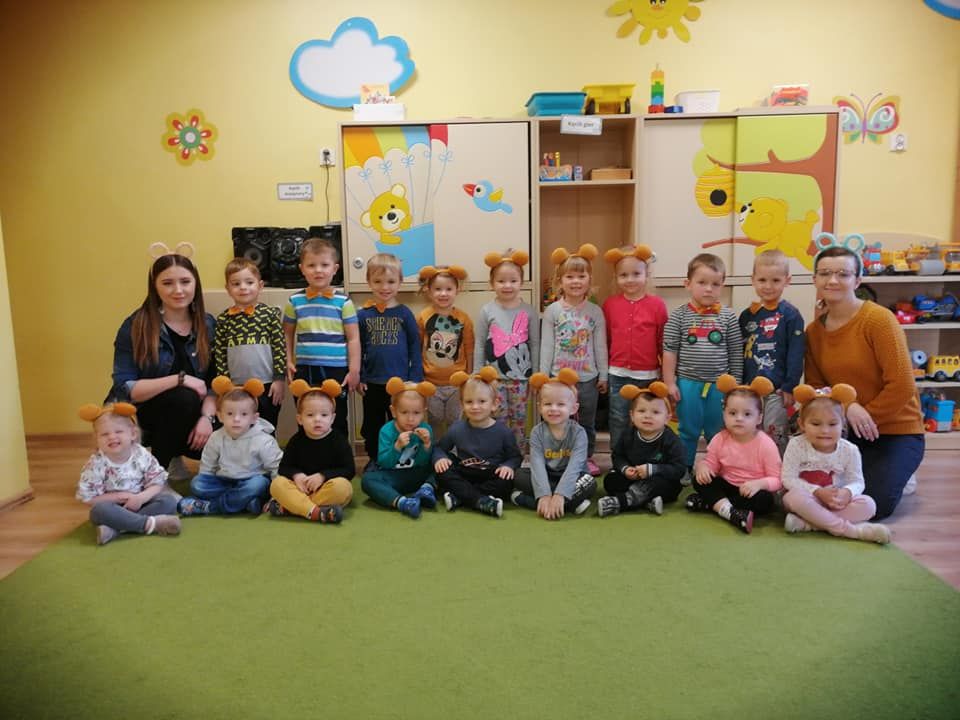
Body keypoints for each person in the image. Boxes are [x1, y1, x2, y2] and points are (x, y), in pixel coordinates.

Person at [804, 244, 924, 520]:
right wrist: (848, 407)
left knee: (874, 502)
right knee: (812, 488)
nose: (832, 280)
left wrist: (865, 415)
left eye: (843, 274)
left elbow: (902, 386)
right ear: (815, 280)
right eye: (825, 273)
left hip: (895, 431)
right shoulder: (814, 332)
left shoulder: (879, 320)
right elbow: (816, 386)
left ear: (857, 281)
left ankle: (903, 474)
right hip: (846, 430)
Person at [110, 245, 217, 471]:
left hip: (192, 413)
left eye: (185, 282)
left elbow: (214, 385)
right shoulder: (135, 326)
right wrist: (180, 379)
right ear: (155, 287)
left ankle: (173, 453)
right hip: (141, 413)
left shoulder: (208, 325)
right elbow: (125, 387)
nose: (178, 290)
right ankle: (156, 474)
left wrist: (207, 419)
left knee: (236, 425)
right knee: (184, 397)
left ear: (195, 284)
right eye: (167, 283)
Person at [662, 253, 744, 472]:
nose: (709, 289)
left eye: (715, 284)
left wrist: (735, 384)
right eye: (702, 282)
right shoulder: (678, 316)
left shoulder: (728, 317)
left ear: (722, 286)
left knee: (717, 430)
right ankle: (684, 466)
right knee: (687, 429)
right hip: (687, 383)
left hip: (720, 385)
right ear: (687, 284)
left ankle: (717, 467)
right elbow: (669, 351)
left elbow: (736, 352)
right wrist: (669, 382)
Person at [780, 383, 891, 544]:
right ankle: (851, 531)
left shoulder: (850, 450)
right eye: (816, 424)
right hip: (807, 500)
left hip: (836, 503)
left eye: (832, 424)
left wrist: (847, 492)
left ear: (843, 424)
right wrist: (817, 491)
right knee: (792, 497)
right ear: (802, 424)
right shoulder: (796, 445)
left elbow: (857, 481)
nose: (825, 430)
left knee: (868, 505)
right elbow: (788, 479)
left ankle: (810, 525)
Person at [540, 243, 608, 475]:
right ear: (560, 281)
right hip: (558, 380)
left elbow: (600, 346)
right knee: (557, 420)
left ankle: (586, 457)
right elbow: (547, 345)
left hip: (588, 379)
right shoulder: (553, 311)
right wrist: (543, 377)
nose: (576, 281)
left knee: (586, 422)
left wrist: (603, 375)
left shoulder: (595, 311)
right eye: (570, 276)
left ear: (589, 279)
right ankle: (557, 457)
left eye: (581, 276)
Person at [283, 236, 360, 438]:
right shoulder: (294, 301)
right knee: (306, 415)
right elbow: (287, 334)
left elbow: (353, 338)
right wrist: (288, 360)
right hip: (305, 368)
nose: (318, 270)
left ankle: (339, 456)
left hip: (337, 369)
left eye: (324, 265)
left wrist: (354, 370)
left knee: (337, 416)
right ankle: (308, 454)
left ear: (335, 269)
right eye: (311, 265)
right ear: (302, 269)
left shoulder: (344, 302)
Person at [687, 375, 782, 534]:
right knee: (699, 480)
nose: (739, 419)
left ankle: (712, 504)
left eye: (747, 414)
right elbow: (711, 465)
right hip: (727, 486)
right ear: (724, 415)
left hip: (751, 491)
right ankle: (731, 512)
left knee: (765, 501)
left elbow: (777, 479)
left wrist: (759, 484)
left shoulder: (765, 443)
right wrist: (703, 467)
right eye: (732, 413)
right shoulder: (720, 438)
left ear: (759, 418)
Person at [76, 402, 181, 545]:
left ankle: (116, 529)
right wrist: (118, 497)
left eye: (118, 432)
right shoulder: (96, 464)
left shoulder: (141, 454)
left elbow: (157, 482)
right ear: (97, 439)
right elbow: (89, 498)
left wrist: (141, 498)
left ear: (133, 434)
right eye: (105, 434)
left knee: (168, 501)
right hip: (114, 508)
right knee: (98, 511)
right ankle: (149, 524)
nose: (112, 437)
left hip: (142, 503)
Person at [177, 377, 282, 516]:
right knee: (197, 484)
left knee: (259, 485)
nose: (236, 419)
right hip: (224, 480)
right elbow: (207, 466)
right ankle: (245, 503)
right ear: (220, 416)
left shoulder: (264, 440)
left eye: (244, 414)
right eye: (230, 414)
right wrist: (205, 479)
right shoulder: (216, 437)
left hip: (252, 479)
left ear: (254, 418)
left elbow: (276, 469)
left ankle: (211, 507)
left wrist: (276, 497)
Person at [432, 366, 522, 518]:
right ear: (462, 404)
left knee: (507, 480)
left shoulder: (504, 432)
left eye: (482, 401)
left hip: (491, 475)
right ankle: (481, 501)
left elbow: (515, 457)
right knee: (443, 471)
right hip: (465, 473)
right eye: (469, 402)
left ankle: (461, 497)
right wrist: (440, 458)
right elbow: (439, 449)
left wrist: (508, 466)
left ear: (494, 404)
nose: (475, 407)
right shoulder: (457, 428)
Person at [738, 249, 804, 453]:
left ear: (787, 280)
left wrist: (789, 386)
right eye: (762, 280)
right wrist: (739, 383)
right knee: (749, 430)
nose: (768, 286)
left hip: (777, 389)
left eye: (775, 280)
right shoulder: (747, 315)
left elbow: (796, 353)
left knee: (775, 431)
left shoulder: (791, 315)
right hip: (749, 388)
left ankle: (778, 467)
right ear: (753, 280)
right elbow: (740, 351)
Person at [602, 244, 667, 451]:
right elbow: (606, 340)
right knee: (618, 417)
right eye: (623, 275)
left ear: (647, 275)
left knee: (648, 419)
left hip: (648, 375)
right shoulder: (610, 305)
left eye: (636, 274)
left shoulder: (657, 305)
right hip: (617, 374)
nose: (630, 279)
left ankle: (646, 456)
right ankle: (618, 459)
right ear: (616, 277)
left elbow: (662, 341)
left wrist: (666, 374)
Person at [358, 253, 423, 460]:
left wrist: (415, 378)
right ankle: (375, 460)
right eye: (378, 281)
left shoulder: (405, 313)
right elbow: (358, 347)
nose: (384, 287)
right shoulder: (363, 314)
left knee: (402, 423)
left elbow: (415, 346)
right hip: (372, 382)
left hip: (402, 384)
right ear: (368, 282)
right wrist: (360, 376)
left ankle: (403, 460)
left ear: (400, 282)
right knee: (373, 425)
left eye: (391, 281)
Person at [474, 249, 539, 453]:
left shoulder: (529, 311)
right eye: (501, 281)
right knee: (497, 418)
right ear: (492, 283)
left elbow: (535, 344)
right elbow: (480, 344)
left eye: (513, 280)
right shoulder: (487, 310)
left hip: (521, 379)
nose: (507, 285)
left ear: (521, 282)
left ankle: (517, 454)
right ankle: (497, 454)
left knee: (519, 419)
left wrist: (536, 375)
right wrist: (477, 373)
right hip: (493, 379)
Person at [265, 379, 355, 524]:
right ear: (300, 419)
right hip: (301, 488)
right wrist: (297, 475)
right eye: (310, 415)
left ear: (332, 418)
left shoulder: (339, 440)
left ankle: (292, 507)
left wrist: (322, 476)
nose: (317, 420)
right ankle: (316, 512)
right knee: (277, 484)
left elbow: (349, 470)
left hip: (325, 488)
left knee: (343, 488)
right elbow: (284, 467)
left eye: (324, 415)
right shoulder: (296, 440)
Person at [511, 369, 597, 519]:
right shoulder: (537, 432)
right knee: (519, 476)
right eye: (548, 404)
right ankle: (570, 505)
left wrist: (560, 494)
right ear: (540, 407)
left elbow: (575, 467)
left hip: (573, 476)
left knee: (590, 482)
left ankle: (527, 500)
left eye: (561, 404)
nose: (553, 409)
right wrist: (544, 494)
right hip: (548, 475)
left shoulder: (579, 433)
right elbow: (537, 465)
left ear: (573, 408)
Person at [213, 257, 286, 429]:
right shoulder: (224, 319)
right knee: (239, 427)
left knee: (267, 427)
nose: (243, 287)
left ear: (260, 285)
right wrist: (225, 384)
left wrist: (279, 379)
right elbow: (220, 353)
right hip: (235, 387)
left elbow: (280, 348)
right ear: (228, 289)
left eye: (249, 282)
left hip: (267, 385)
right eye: (236, 284)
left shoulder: (269, 315)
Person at [597, 381, 685, 518]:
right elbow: (618, 456)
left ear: (667, 418)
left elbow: (679, 469)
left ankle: (622, 502)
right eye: (641, 411)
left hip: (657, 480)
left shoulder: (671, 440)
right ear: (632, 415)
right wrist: (625, 469)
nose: (647, 416)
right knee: (611, 480)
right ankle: (645, 502)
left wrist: (652, 470)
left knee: (668, 486)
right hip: (633, 479)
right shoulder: (628, 435)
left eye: (655, 412)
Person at [360, 378, 438, 519]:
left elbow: (423, 462)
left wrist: (426, 445)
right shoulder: (386, 431)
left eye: (416, 413)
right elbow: (384, 463)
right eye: (404, 412)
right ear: (394, 411)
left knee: (444, 463)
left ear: (424, 412)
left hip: (417, 474)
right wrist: (397, 446)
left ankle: (426, 489)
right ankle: (402, 502)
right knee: (367, 480)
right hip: (393, 475)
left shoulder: (426, 429)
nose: (410, 419)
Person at [417, 264, 474, 438]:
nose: (443, 293)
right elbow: (417, 347)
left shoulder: (463, 318)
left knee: (454, 422)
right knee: (434, 421)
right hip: (430, 383)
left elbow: (469, 349)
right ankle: (434, 451)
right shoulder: (423, 317)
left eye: (449, 289)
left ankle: (453, 451)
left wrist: (469, 375)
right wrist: (419, 376)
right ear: (429, 290)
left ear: (457, 290)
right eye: (438, 289)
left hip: (456, 383)